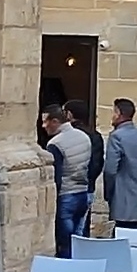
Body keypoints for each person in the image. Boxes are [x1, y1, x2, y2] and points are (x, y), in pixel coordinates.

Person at [41, 105, 92, 258]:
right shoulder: (84, 137)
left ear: (55, 121)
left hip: (66, 194)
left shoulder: (55, 143)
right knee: (78, 237)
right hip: (82, 191)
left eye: (45, 122)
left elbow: (57, 175)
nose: (43, 126)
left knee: (65, 241)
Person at [103, 98, 137, 228]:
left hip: (122, 195)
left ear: (119, 114)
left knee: (121, 234)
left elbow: (110, 169)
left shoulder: (117, 136)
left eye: (114, 112)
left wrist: (108, 192)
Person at [64, 99, 106, 236]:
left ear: (69, 114)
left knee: (67, 229)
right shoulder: (95, 135)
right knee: (83, 227)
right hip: (88, 187)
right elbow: (98, 163)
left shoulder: (66, 136)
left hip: (68, 188)